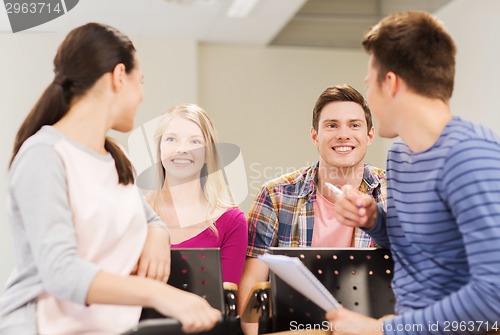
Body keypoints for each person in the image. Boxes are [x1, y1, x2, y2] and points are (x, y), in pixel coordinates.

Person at [0, 23, 221, 335]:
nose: (142, 94)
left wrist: (158, 233)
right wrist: (160, 293)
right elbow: (60, 272)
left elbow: (149, 218)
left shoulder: (116, 160)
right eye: (140, 81)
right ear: (119, 76)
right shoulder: (44, 155)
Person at [328, 11, 500, 335]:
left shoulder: (471, 156)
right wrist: (373, 220)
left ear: (390, 83)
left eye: (370, 85)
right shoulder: (400, 156)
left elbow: (493, 297)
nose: (370, 99)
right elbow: (417, 248)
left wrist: (383, 331)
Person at [238, 84, 387, 334]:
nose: (343, 134)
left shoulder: (394, 194)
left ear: (370, 135)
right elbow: (252, 284)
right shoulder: (275, 196)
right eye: (331, 125)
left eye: (354, 125)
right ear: (315, 136)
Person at [146, 103, 247, 285]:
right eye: (171, 139)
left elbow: (224, 301)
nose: (182, 149)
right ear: (159, 148)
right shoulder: (136, 213)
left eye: (195, 141)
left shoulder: (232, 221)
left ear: (209, 153)